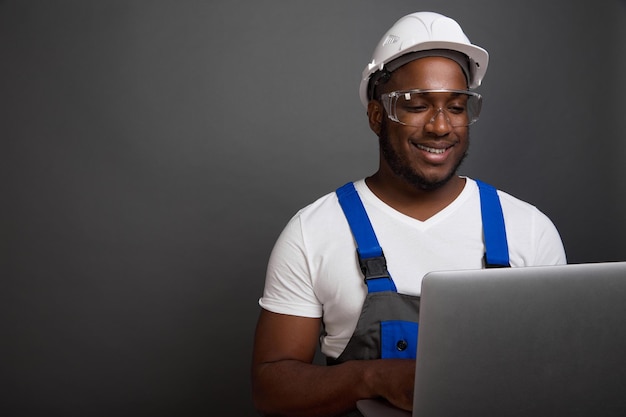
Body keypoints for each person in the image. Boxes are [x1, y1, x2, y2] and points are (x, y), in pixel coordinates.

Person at [251, 11, 566, 417]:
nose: (440, 126)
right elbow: (270, 388)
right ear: (376, 115)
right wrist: (374, 378)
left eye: (456, 106)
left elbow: (558, 377)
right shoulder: (313, 231)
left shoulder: (529, 230)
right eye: (416, 105)